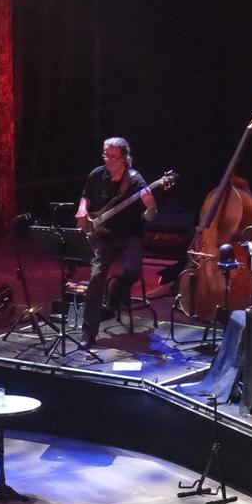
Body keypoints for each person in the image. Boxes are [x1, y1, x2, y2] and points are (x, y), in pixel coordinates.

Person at [74, 137, 156, 347]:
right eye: (105, 155)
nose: (108, 160)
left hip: (129, 235)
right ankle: (88, 333)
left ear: (125, 158)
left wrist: (149, 207)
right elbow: (86, 196)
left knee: (133, 271)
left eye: (113, 156)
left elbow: (150, 217)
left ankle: (113, 300)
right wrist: (83, 208)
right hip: (102, 236)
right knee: (96, 279)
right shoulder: (97, 174)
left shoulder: (136, 181)